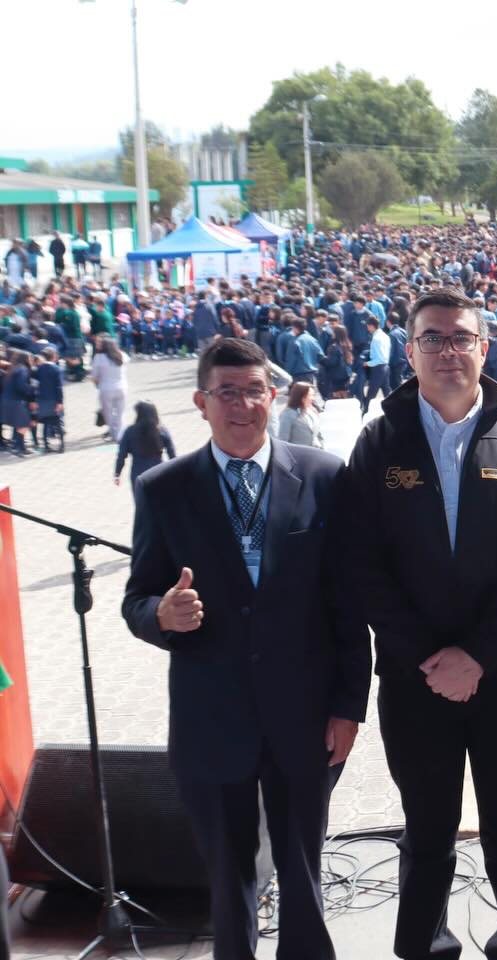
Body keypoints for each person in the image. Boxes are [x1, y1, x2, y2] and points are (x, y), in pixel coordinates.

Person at [122, 337, 370, 960]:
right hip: (213, 720)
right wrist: (163, 615)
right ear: (202, 402)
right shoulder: (164, 488)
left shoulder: (323, 474)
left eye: (254, 390)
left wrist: (349, 705)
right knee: (230, 882)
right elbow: (136, 599)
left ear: (274, 395)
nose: (242, 405)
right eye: (227, 393)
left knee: (303, 873)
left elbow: (349, 605)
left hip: (305, 717)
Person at [343, 288, 497, 960]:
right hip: (415, 677)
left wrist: (478, 657)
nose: (448, 351)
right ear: (410, 352)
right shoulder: (381, 441)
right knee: (427, 829)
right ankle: (423, 945)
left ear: (484, 348)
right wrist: (429, 657)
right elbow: (362, 561)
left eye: (461, 338)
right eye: (432, 338)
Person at [114, 400, 176, 496]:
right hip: (158, 472)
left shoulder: (129, 432)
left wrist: (117, 473)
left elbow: (121, 455)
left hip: (138, 473)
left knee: (141, 506)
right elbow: (172, 454)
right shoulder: (161, 431)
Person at [90, 335, 127, 443]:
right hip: (122, 387)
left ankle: (114, 434)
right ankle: (121, 433)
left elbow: (94, 377)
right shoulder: (121, 355)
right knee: (120, 412)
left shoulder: (99, 358)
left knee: (108, 413)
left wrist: (97, 384)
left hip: (106, 388)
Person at [1, 350, 35, 456]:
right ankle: (19, 448)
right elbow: (21, 386)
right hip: (16, 401)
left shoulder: (13, 369)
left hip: (6, 400)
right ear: (25, 359)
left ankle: (20, 447)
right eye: (30, 358)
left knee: (20, 424)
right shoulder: (22, 369)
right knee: (24, 424)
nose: (31, 360)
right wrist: (32, 388)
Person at [277, 381, 323, 448]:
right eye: (310, 395)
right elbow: (282, 440)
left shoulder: (312, 412)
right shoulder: (287, 415)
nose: (313, 399)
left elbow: (318, 436)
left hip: (315, 453)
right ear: (302, 397)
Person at [360, 314, 391, 413]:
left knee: (371, 394)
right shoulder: (385, 336)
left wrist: (367, 363)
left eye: (368, 326)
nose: (367, 328)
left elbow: (379, 358)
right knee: (387, 393)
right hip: (386, 367)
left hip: (378, 368)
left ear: (371, 326)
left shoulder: (376, 339)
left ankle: (365, 414)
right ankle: (396, 412)